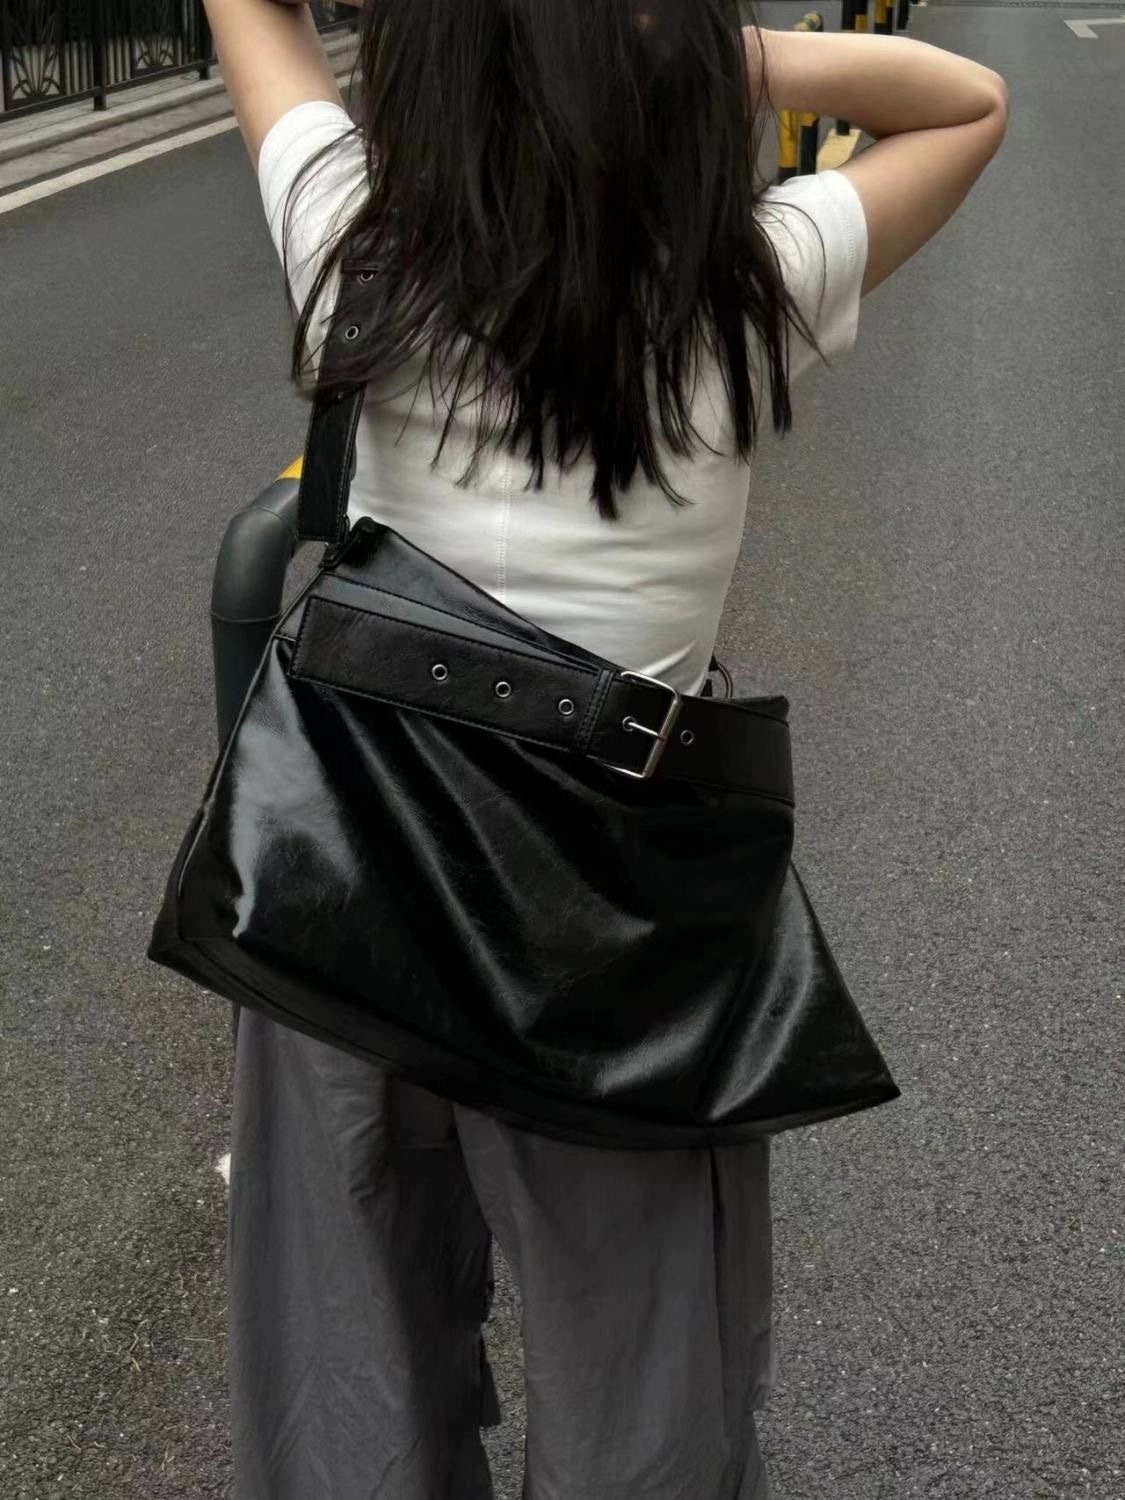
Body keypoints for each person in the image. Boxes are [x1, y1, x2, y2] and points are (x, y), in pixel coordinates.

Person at [203, 0, 1009, 1494]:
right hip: (616, 931)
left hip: (347, 890)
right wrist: (696, 56)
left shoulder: (353, 246)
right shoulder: (743, 285)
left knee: (343, 1378)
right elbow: (963, 101)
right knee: (645, 1391)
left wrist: (494, 37)